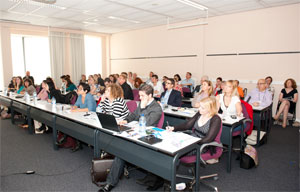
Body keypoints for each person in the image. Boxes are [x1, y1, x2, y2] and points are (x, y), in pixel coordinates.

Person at [98, 84, 162, 192]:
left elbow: (147, 122)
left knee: (123, 150)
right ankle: (110, 183)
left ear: (150, 95)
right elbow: (133, 115)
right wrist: (126, 120)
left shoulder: (156, 108)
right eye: (140, 95)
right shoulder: (142, 103)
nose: (139, 98)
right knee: (121, 151)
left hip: (148, 138)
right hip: (137, 134)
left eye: (142, 96)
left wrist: (142, 107)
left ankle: (158, 179)